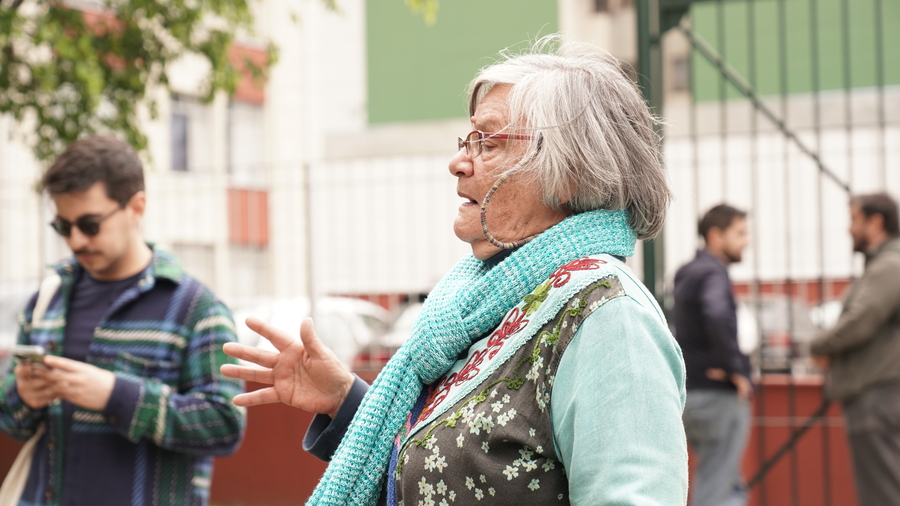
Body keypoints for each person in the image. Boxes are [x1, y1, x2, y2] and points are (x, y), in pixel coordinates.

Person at [222, 38, 688, 506]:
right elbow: (455, 465)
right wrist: (347, 401)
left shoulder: (608, 317)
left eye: (488, 143)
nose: (458, 162)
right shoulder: (484, 300)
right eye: (467, 141)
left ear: (568, 174)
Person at [0, 136, 246, 506]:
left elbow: (225, 424)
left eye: (90, 224)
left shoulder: (196, 309)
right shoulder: (47, 299)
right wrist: (24, 396)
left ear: (136, 207)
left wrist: (117, 395)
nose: (77, 240)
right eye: (64, 227)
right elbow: (12, 421)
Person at [811, 192, 900, 506]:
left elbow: (860, 321)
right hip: (880, 394)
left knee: (883, 493)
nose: (849, 229)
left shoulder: (890, 266)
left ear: (875, 222)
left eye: (854, 220)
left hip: (878, 396)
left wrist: (818, 344)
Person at [672, 204, 752, 506]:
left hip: (691, 393)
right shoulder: (714, 272)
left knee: (717, 479)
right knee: (724, 488)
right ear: (716, 235)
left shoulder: (686, 272)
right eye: (740, 233)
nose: (747, 240)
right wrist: (737, 371)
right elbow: (717, 313)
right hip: (719, 394)